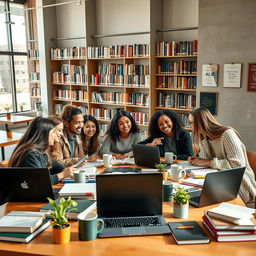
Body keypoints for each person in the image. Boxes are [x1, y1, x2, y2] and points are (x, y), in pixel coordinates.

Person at [187, 107, 256, 207]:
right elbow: (211, 163)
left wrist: (207, 162)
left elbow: (237, 164)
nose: (189, 125)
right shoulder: (205, 138)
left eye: (191, 122)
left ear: (201, 122)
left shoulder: (227, 134)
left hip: (240, 189)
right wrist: (199, 160)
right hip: (221, 186)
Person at [8, 117, 74, 184]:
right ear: (44, 134)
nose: (56, 135)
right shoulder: (31, 154)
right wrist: (62, 175)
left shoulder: (41, 151)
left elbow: (54, 164)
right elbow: (40, 180)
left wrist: (65, 170)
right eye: (54, 132)